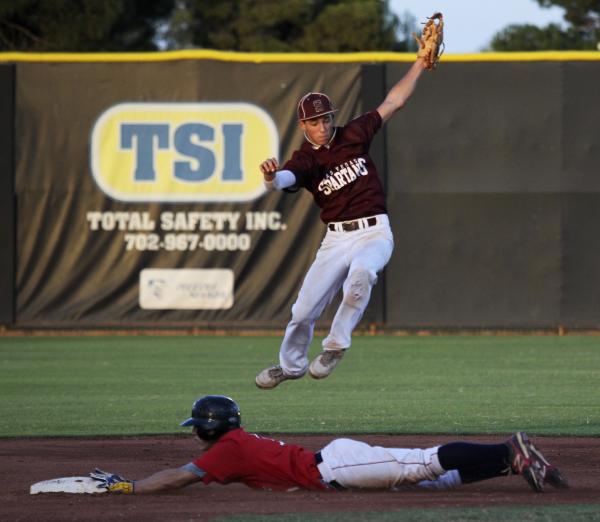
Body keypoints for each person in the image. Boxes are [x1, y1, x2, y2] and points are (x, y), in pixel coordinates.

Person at [254, 55, 430, 389]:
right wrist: (270, 178)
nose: (322, 127)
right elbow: (286, 178)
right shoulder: (305, 159)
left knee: (362, 275)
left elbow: (395, 100)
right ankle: (290, 367)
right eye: (315, 122)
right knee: (303, 311)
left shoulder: (353, 133)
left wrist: (421, 62)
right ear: (303, 125)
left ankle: (335, 347)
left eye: (326, 119)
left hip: (375, 232)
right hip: (336, 239)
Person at [90, 395, 569, 495]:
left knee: (422, 464)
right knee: (434, 483)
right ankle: (509, 464)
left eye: (197, 425)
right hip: (337, 469)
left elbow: (180, 476)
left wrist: (129, 488)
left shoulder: (226, 450)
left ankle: (509, 451)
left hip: (339, 467)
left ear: (210, 428)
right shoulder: (233, 442)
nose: (193, 431)